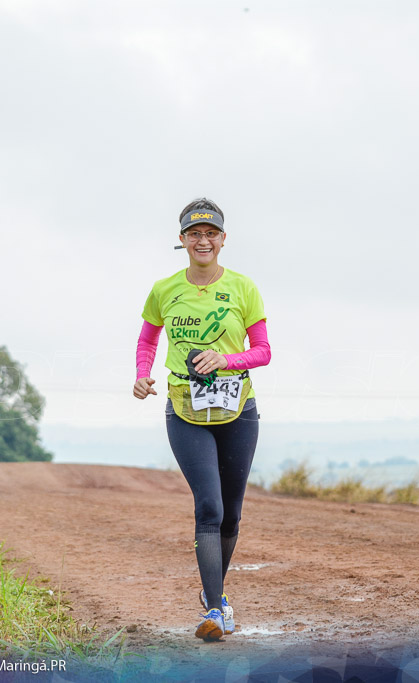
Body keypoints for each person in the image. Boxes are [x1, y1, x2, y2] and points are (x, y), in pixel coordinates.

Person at [132, 198, 271, 641]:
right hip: (185, 409)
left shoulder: (244, 288)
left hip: (238, 410)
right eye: (195, 234)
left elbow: (263, 351)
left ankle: (216, 591)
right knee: (208, 507)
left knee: (231, 516)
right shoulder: (164, 289)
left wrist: (225, 359)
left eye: (211, 233)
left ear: (223, 240)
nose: (203, 240)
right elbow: (147, 341)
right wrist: (141, 376)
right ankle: (216, 609)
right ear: (183, 240)